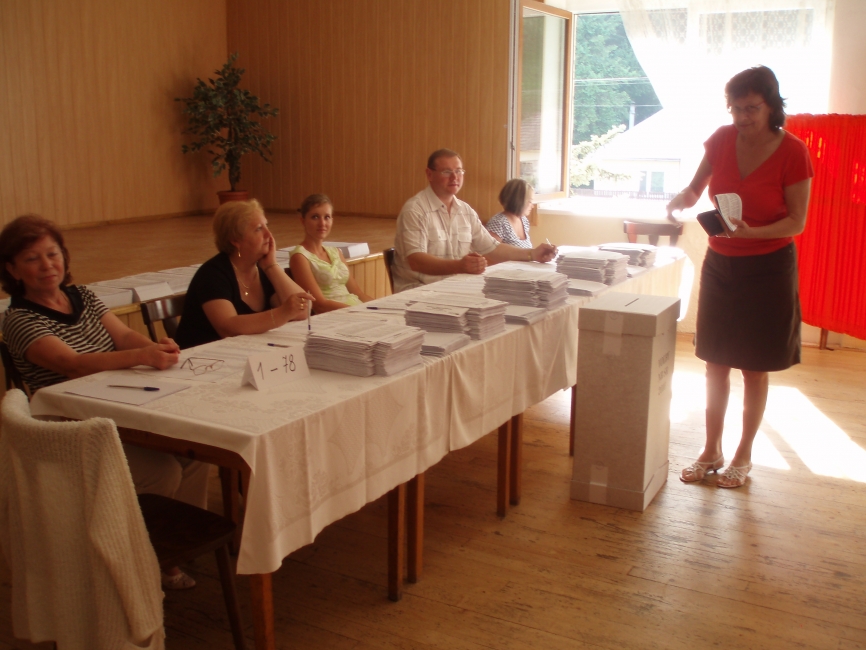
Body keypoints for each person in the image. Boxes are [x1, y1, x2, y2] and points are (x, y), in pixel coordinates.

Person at [0, 214, 208, 589]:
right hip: (70, 428)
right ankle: (136, 560)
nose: (47, 265)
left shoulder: (81, 296)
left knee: (195, 452)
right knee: (162, 472)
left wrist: (155, 347)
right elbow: (72, 364)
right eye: (32, 258)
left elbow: (124, 337)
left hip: (118, 409)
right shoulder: (18, 319)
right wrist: (142, 356)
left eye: (52, 254)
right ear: (12, 269)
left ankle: (176, 544)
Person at [666, 66, 813, 488]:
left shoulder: (793, 151)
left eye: (751, 108)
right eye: (735, 108)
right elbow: (696, 189)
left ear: (771, 106)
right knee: (715, 362)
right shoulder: (721, 139)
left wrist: (753, 233)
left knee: (753, 366)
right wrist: (679, 200)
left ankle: (743, 454)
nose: (742, 117)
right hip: (721, 264)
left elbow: (797, 221)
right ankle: (711, 449)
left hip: (769, 266)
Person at [391, 149, 558, 292]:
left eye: (459, 171)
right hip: (419, 292)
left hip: (455, 289)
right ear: (429, 174)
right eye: (447, 172)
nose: (454, 177)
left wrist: (532, 254)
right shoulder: (415, 210)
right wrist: (459, 266)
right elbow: (416, 261)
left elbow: (493, 248)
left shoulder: (465, 211)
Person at [175, 199, 314, 349]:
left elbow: (303, 310)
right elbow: (228, 328)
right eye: (258, 229)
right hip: (201, 357)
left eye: (267, 226)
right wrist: (281, 313)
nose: (269, 235)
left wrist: (272, 266)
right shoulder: (212, 274)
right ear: (235, 240)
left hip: (246, 351)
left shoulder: (263, 269)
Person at [289, 194, 373, 313]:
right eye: (315, 217)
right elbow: (319, 304)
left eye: (327, 217)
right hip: (337, 315)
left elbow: (358, 293)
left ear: (332, 220)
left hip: (356, 310)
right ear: (303, 221)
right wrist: (357, 311)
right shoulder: (300, 256)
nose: (322, 223)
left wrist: (380, 307)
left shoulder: (336, 252)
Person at [485, 178, 534, 249]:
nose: (532, 206)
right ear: (519, 201)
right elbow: (489, 252)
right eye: (530, 201)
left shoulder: (524, 220)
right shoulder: (498, 223)